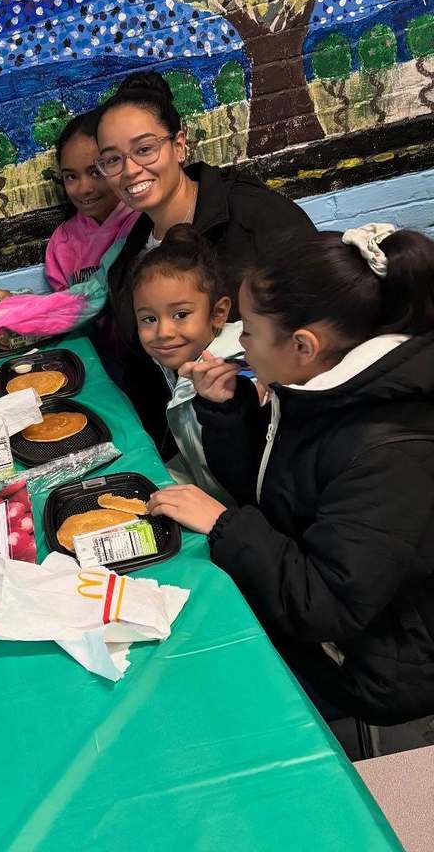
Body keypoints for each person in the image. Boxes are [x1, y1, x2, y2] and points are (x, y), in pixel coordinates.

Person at [147, 224, 434, 725]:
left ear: (303, 345)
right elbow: (273, 491)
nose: (243, 345)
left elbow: (324, 604)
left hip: (378, 665)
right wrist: (230, 412)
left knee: (186, 681)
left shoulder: (389, 449)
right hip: (317, 600)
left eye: (250, 332)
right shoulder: (322, 389)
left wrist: (224, 524)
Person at [95, 71, 315, 450]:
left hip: (289, 435)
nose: (130, 170)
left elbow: (323, 310)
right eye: (112, 160)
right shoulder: (128, 261)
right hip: (201, 449)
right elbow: (147, 377)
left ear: (179, 145)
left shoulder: (252, 216)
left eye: (145, 149)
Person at [0, 110, 139, 356]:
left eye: (95, 172)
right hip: (89, 359)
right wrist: (15, 303)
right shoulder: (63, 242)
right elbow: (65, 309)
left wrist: (12, 313)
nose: (84, 188)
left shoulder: (139, 221)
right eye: (71, 177)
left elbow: (95, 295)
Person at [129, 224, 243, 503]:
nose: (163, 332)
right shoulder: (180, 358)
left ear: (218, 313)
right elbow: (198, 460)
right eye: (149, 319)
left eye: (180, 314)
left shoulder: (238, 374)